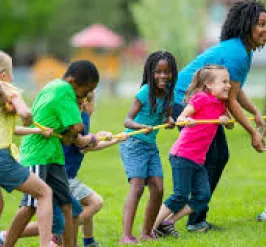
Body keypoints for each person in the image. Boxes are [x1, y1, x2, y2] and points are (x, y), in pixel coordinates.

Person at [172, 0, 266, 232]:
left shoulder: (241, 50)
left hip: (198, 104)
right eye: (261, 24)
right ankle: (192, 219)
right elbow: (231, 101)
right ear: (246, 25)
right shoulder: (236, 52)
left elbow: (234, 90)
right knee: (212, 158)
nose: (265, 30)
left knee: (216, 157)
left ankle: (195, 217)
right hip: (186, 104)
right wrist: (253, 133)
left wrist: (255, 112)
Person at [1, 91, 128, 247]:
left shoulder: (78, 117)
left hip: (57, 171)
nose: (88, 107)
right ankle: (52, 236)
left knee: (69, 209)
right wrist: (104, 138)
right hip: (58, 172)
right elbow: (83, 145)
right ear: (86, 103)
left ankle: (85, 240)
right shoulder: (79, 118)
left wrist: (110, 139)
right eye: (89, 103)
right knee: (91, 203)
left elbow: (85, 143)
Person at [4, 60, 101, 247]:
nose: (86, 97)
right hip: (38, 154)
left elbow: (71, 133)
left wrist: (69, 136)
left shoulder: (54, 85)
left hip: (54, 155)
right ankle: (5, 242)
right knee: (31, 205)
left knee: (68, 207)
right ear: (73, 82)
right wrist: (82, 137)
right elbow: (78, 127)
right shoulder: (64, 89)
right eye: (86, 91)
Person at [152, 65, 234, 237]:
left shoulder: (220, 104)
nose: (228, 85)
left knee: (202, 197)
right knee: (180, 195)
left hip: (198, 160)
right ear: (209, 85)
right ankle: (151, 228)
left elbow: (231, 124)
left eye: (228, 81)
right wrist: (185, 120)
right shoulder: (200, 99)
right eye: (224, 82)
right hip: (182, 156)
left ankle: (168, 223)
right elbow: (181, 116)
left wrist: (226, 121)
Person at [119, 51, 178, 244]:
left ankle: (146, 233)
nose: (162, 76)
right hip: (134, 143)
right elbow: (127, 121)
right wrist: (141, 126)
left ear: (172, 73)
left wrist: (169, 121)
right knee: (137, 188)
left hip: (150, 146)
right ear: (150, 73)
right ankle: (126, 236)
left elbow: (166, 116)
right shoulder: (145, 92)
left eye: (166, 72)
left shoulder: (170, 93)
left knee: (158, 188)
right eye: (158, 72)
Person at [0, 51, 53, 247]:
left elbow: (12, 130)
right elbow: (25, 112)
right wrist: (26, 114)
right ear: (4, 75)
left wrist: (36, 131)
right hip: (1, 159)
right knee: (44, 193)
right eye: (11, 72)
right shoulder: (7, 88)